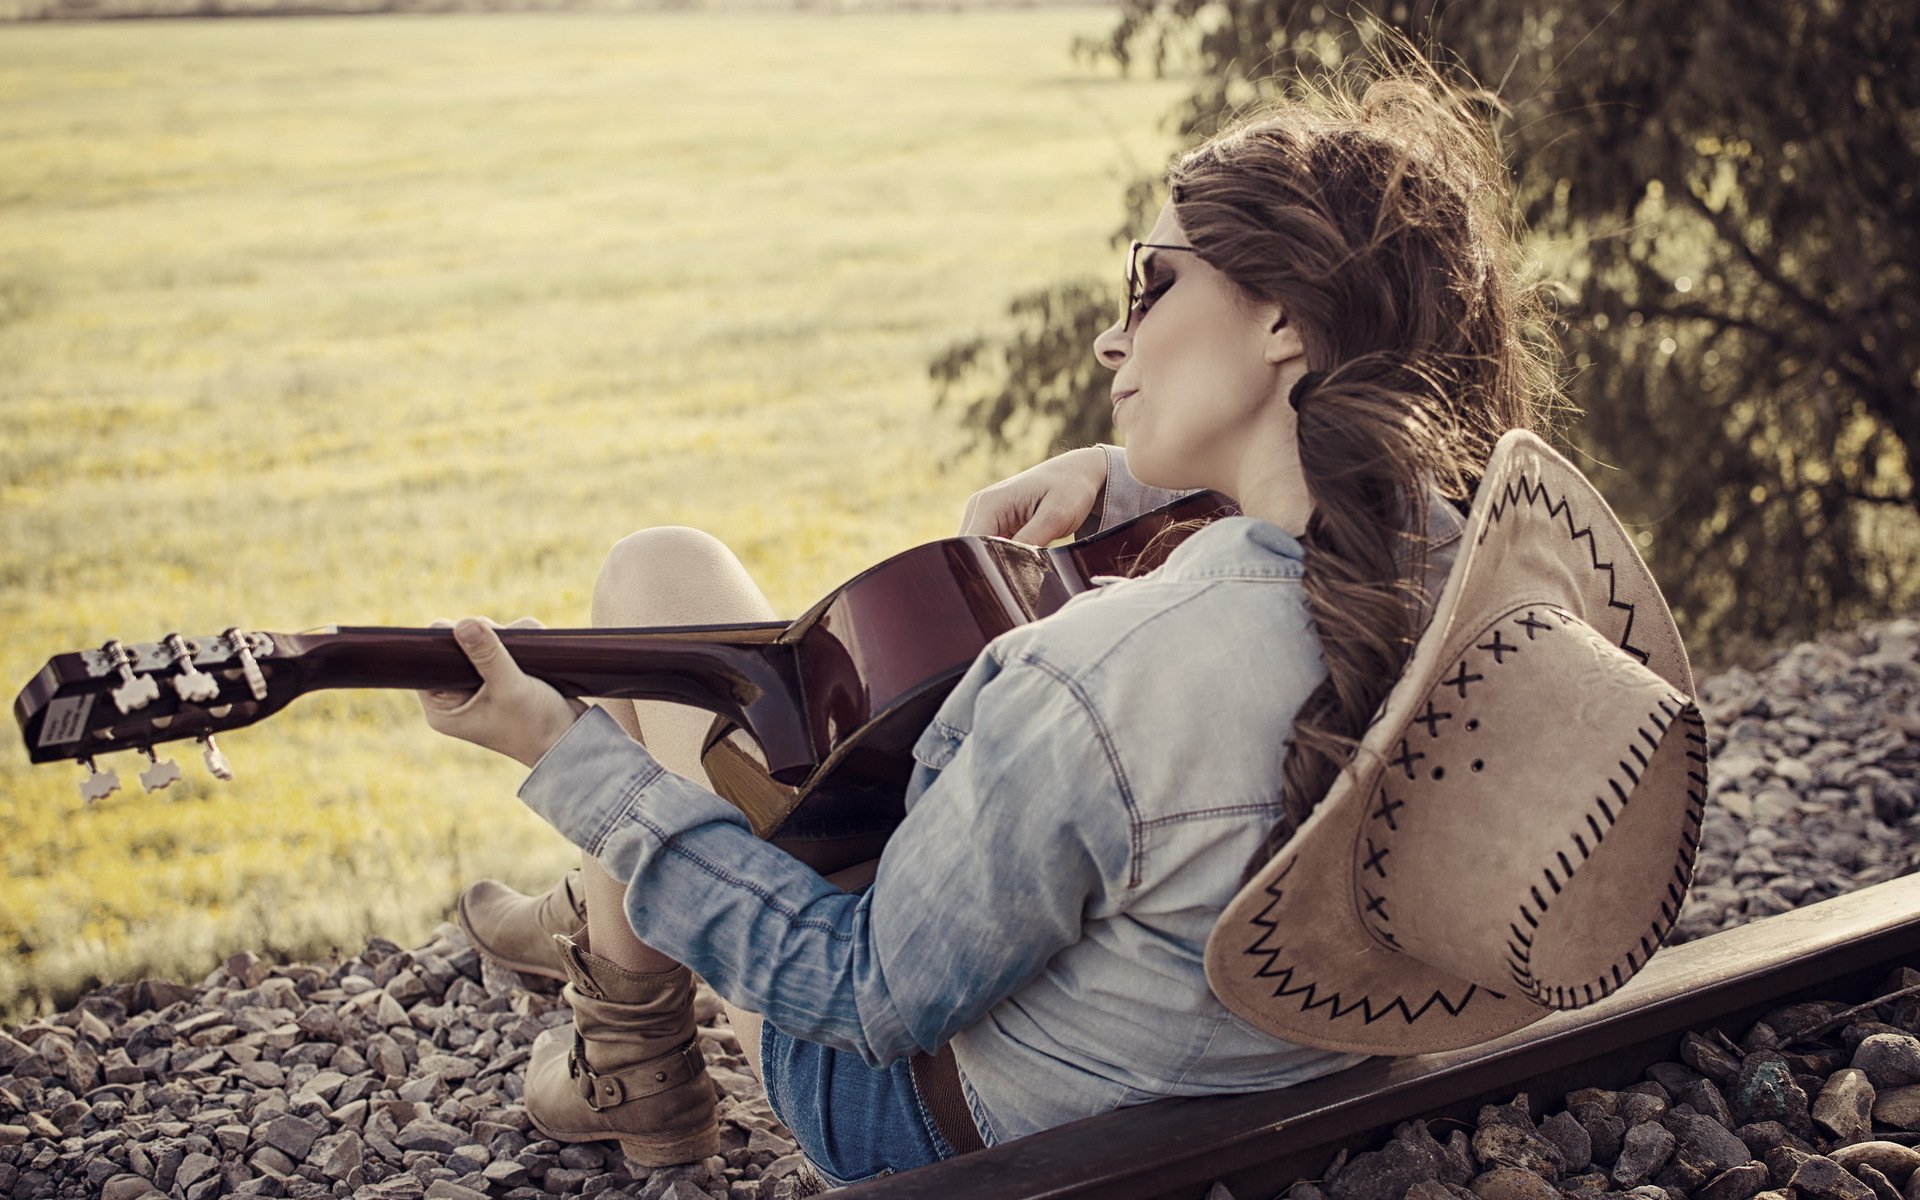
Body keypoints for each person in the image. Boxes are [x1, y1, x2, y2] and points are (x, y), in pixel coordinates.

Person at [416, 64, 1611, 1186]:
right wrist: (1135, 472)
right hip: (1287, 1074)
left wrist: (570, 761)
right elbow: (1347, 485)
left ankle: (619, 1010)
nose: (1116, 337)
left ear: (1286, 323)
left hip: (958, 1128)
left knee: (660, 584)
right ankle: (602, 950)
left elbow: (857, 990)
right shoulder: (1489, 575)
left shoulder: (1102, 674)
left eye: (1154, 284)